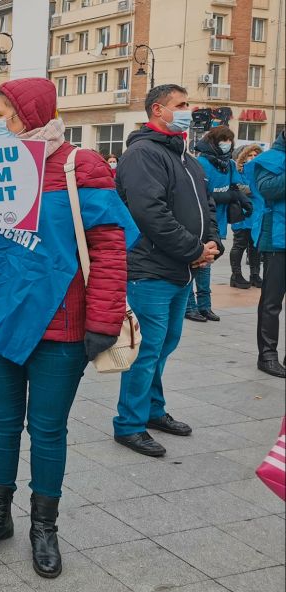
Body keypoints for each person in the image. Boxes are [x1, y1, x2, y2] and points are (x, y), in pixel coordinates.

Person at [0, 78, 137, 579]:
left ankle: (44, 527)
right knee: (1, 424)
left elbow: (109, 248)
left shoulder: (79, 165)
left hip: (61, 326)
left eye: (2, 115)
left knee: (48, 431)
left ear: (29, 115)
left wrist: (103, 320)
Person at [113, 84, 222, 457]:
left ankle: (153, 410)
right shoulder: (143, 154)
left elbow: (207, 205)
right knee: (145, 351)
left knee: (164, 345)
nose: (188, 110)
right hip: (150, 270)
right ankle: (129, 424)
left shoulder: (185, 157)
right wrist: (193, 250)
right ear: (158, 110)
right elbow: (150, 213)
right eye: (181, 104)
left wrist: (212, 244)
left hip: (180, 269)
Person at [184, 126, 251, 322]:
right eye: (223, 140)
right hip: (200, 220)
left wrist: (242, 199)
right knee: (195, 264)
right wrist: (226, 196)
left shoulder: (228, 163)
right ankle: (190, 306)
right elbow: (199, 193)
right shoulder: (201, 162)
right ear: (214, 141)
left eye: (229, 140)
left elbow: (235, 187)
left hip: (218, 221)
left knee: (207, 264)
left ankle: (205, 306)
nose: (226, 144)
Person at [249, 131, 286, 377]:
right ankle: (267, 355)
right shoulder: (269, 158)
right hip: (277, 239)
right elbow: (268, 190)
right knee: (272, 302)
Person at [231, 144, 265, 289]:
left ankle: (255, 275)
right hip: (243, 214)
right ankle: (236, 275)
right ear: (243, 157)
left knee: (255, 246)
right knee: (240, 244)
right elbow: (238, 187)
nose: (253, 158)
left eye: (255, 155)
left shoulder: (261, 170)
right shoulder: (238, 170)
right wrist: (258, 188)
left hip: (258, 214)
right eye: (250, 155)